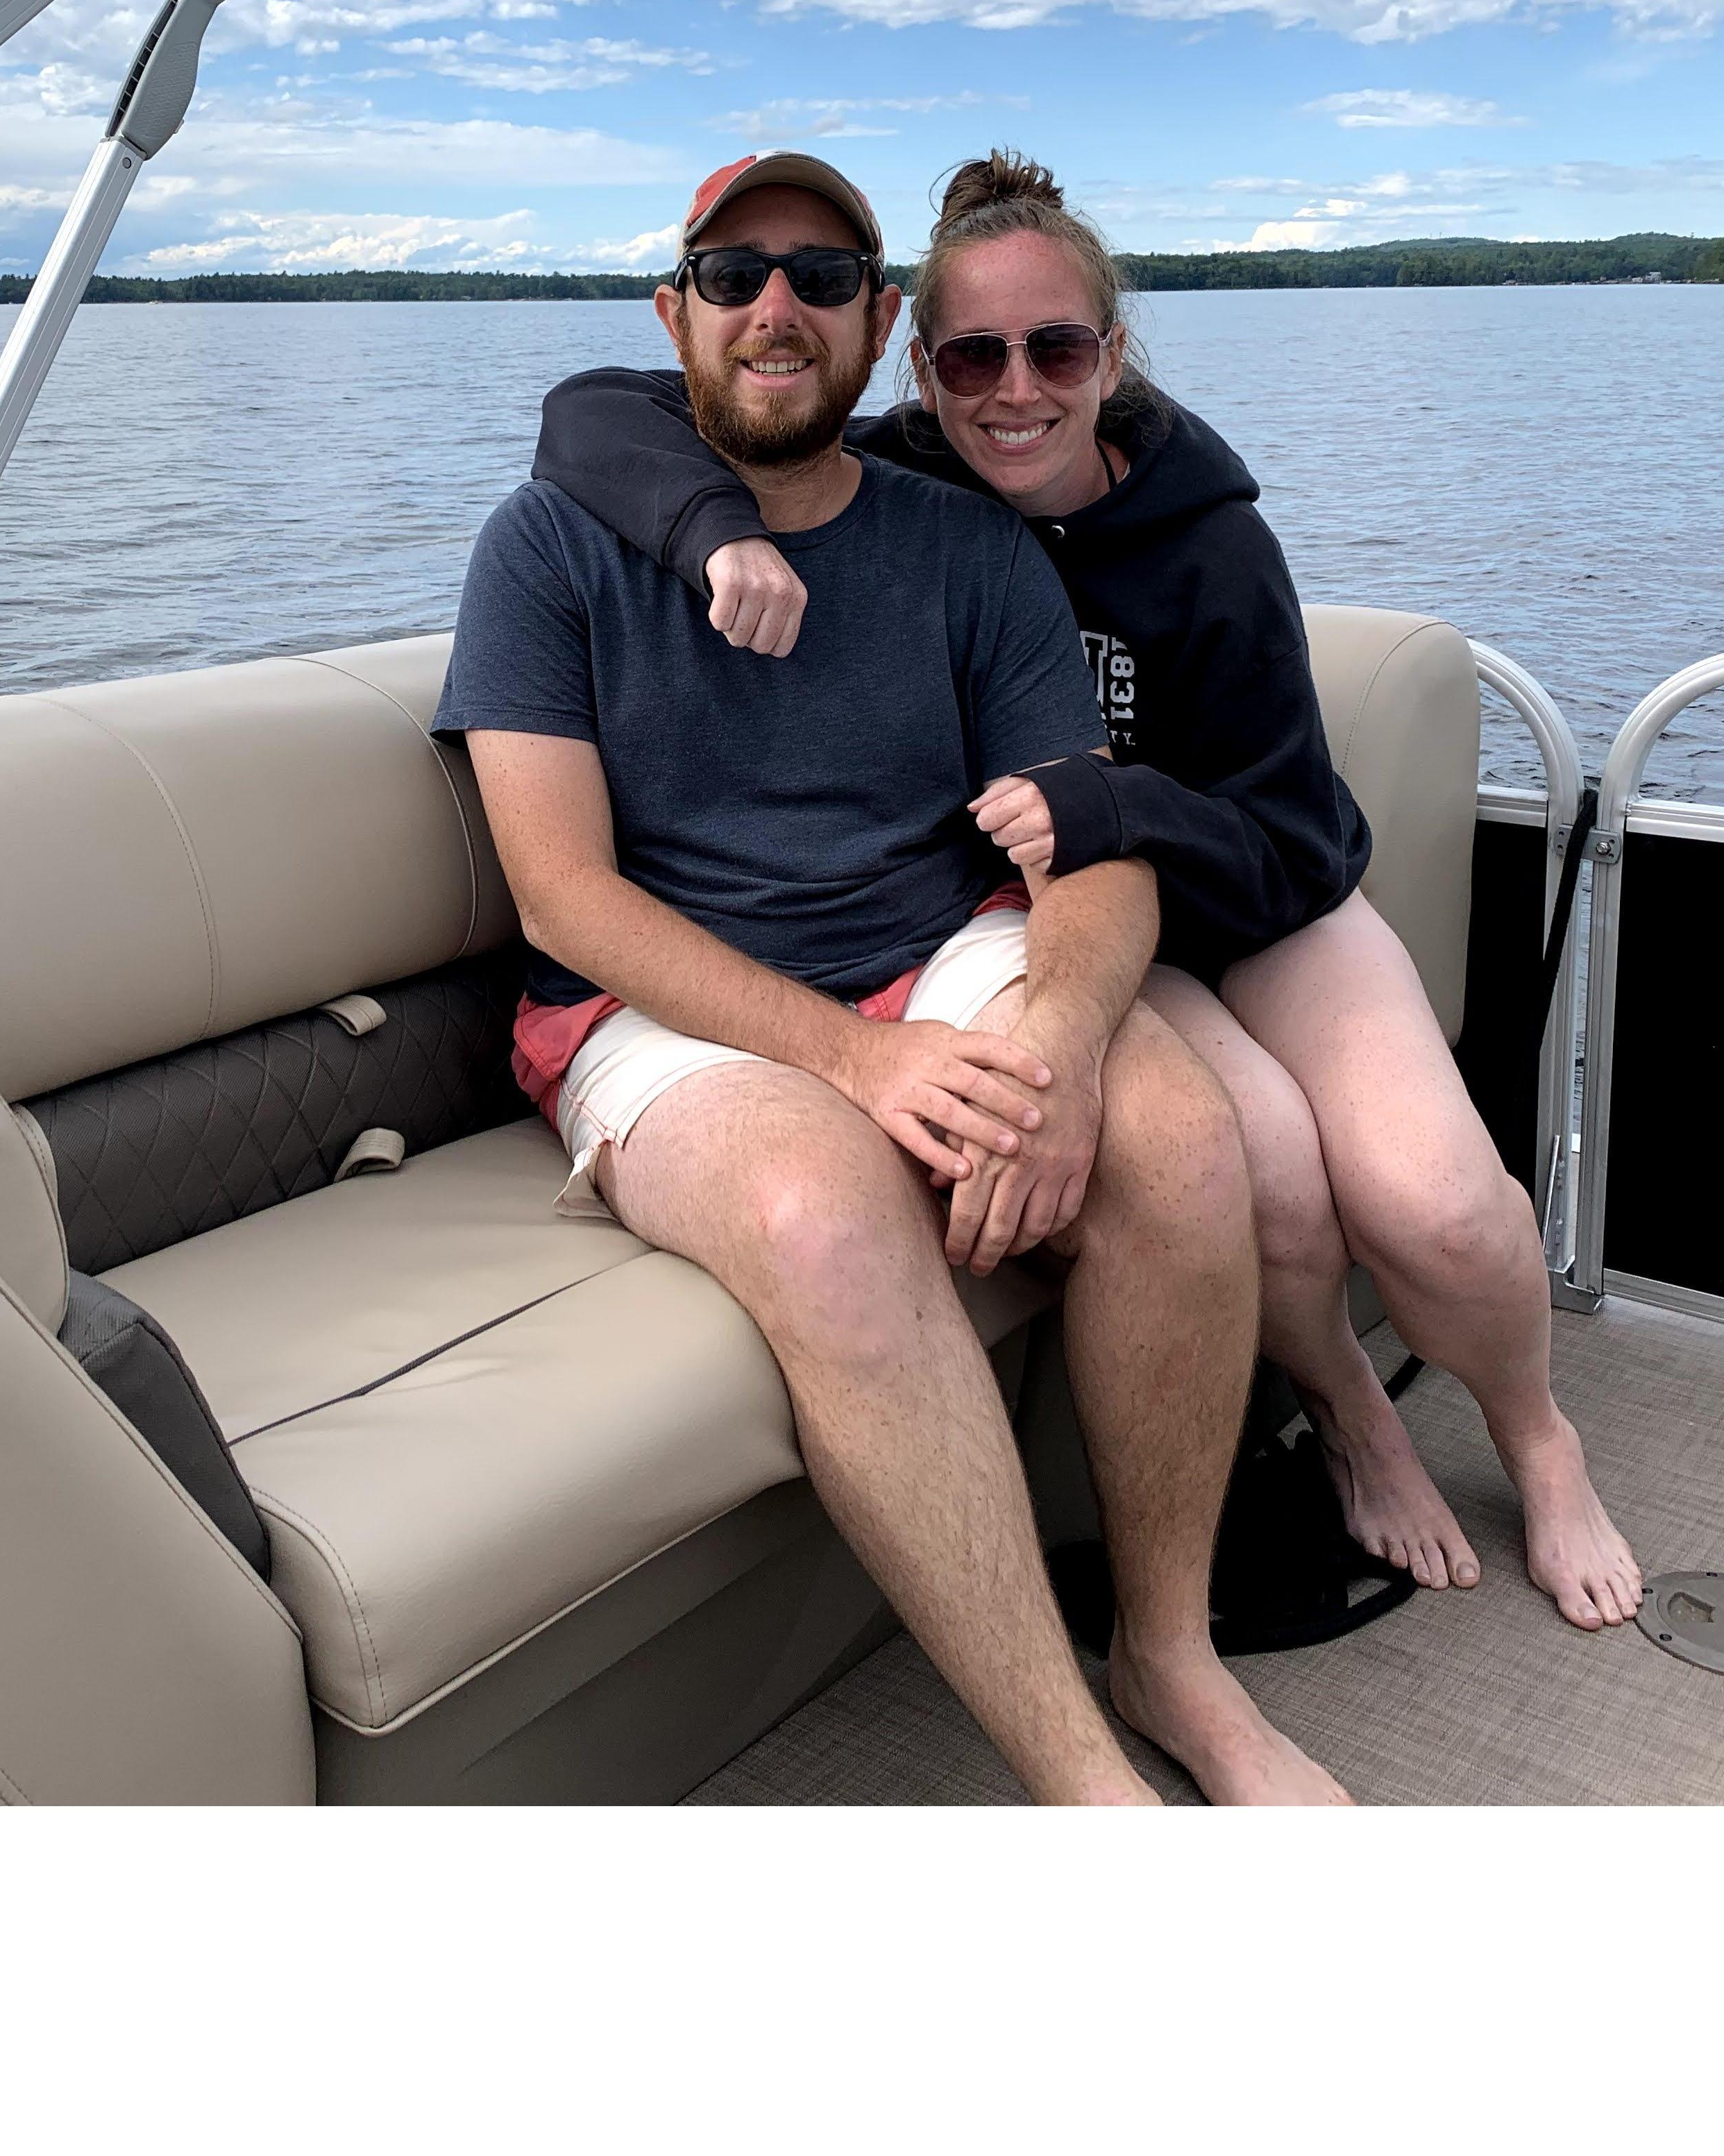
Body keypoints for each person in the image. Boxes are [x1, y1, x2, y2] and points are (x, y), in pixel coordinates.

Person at [534, 149, 1642, 1632]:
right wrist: (708, 528)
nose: (1015, 391)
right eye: (975, 355)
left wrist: (1108, 799)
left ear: (1110, 355)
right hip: (1104, 927)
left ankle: (1537, 1440)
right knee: (1275, 1180)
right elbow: (588, 413)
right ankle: (1359, 1421)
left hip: (1263, 903)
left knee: (1437, 1210)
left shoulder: (1213, 545)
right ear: (915, 365)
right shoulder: (908, 484)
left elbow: (1296, 840)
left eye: (1055, 350)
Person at [438, 149, 1351, 1804]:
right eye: (733, 275)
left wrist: (1065, 1038)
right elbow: (561, 896)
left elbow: (1092, 838)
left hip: (934, 947)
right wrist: (859, 1073)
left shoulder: (963, 548)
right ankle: (1089, 1782)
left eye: (823, 277)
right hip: (660, 1002)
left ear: (880, 334)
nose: (775, 306)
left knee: (1176, 1132)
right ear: (675, 314)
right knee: (823, 1223)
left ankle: (1170, 1651)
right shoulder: (546, 548)